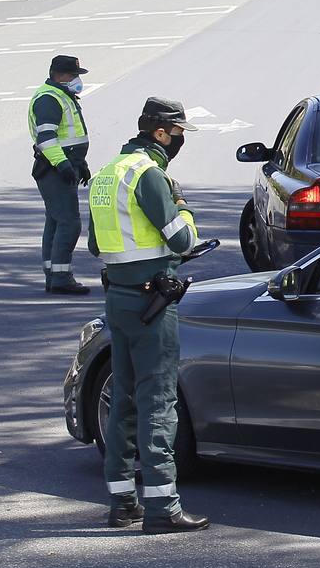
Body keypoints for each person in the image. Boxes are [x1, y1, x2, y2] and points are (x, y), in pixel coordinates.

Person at [87, 97, 209, 534]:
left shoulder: (107, 174)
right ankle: (162, 507)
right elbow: (180, 240)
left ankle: (122, 501)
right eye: (178, 133)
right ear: (161, 132)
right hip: (151, 302)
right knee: (158, 400)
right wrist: (184, 206)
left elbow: (96, 247)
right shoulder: (149, 175)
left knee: (122, 398)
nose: (179, 141)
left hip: (118, 299)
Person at [29, 54, 92, 295]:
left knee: (56, 221)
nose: (77, 79)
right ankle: (61, 278)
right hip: (54, 169)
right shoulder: (49, 99)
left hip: (62, 166)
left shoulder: (61, 95)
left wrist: (80, 163)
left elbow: (70, 137)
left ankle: (53, 273)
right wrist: (64, 165)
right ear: (61, 75)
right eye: (74, 75)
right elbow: (47, 139)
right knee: (69, 222)